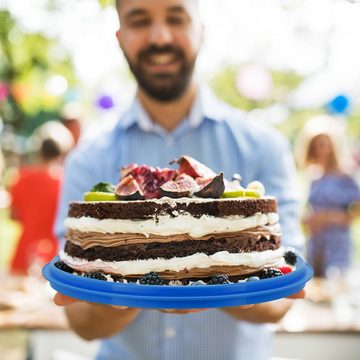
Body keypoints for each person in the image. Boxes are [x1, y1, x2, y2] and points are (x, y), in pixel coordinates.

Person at [54, 1, 304, 359]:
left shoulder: (264, 146)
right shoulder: (87, 159)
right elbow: (80, 320)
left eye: (176, 18)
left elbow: (281, 294)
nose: (160, 36)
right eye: (140, 21)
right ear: (120, 37)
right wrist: (126, 284)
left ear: (201, 29)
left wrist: (215, 277)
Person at [295, 115, 360, 278]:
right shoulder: (313, 175)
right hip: (315, 244)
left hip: (337, 244)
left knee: (335, 288)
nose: (320, 149)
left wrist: (328, 217)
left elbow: (356, 212)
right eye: (315, 145)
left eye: (324, 144)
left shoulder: (345, 175)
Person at [9, 121, 73, 275]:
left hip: (24, 252)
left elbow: (14, 215)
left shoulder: (22, 177)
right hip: (54, 254)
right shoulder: (65, 181)